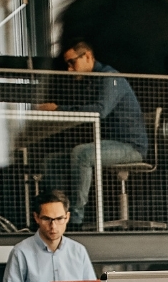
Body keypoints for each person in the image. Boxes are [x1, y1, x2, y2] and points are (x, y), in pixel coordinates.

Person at [41, 40, 148, 229]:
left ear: (88, 56)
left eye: (72, 62)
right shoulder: (94, 80)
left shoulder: (110, 77)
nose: (69, 70)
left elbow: (100, 111)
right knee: (53, 160)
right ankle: (55, 215)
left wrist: (60, 109)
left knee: (82, 154)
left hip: (131, 147)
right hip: (111, 144)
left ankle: (75, 220)